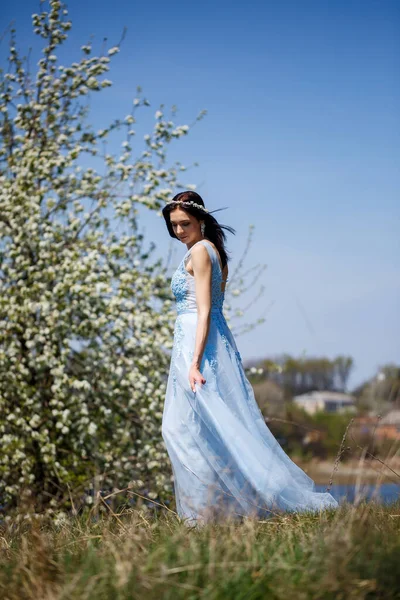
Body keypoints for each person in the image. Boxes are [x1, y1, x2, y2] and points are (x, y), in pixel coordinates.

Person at [161, 191, 338, 526]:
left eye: (185, 223)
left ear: (201, 220)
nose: (180, 231)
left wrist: (195, 362)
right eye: (174, 226)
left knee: (182, 429)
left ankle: (203, 517)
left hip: (196, 344)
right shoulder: (215, 251)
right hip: (207, 340)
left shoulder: (200, 252)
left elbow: (205, 310)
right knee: (208, 428)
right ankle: (217, 512)